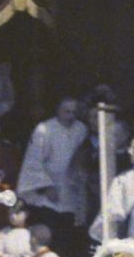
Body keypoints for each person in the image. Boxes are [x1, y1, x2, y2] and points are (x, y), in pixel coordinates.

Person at [17, 97, 92, 247]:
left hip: (71, 191)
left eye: (74, 112)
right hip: (48, 193)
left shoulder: (81, 129)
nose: (71, 116)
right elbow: (33, 160)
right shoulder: (44, 129)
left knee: (68, 238)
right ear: (57, 111)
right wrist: (46, 186)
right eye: (66, 111)